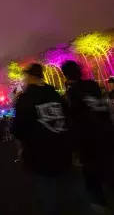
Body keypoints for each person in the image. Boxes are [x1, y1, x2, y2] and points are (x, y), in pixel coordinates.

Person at [13, 63, 86, 215]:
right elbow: (68, 116)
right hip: (62, 147)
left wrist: (22, 148)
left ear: (31, 76)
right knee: (72, 184)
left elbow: (18, 127)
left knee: (47, 191)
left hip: (40, 151)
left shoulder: (26, 98)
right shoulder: (54, 94)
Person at [61, 60, 114, 213]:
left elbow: (73, 119)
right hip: (107, 134)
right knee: (109, 169)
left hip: (89, 139)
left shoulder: (73, 93)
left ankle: (100, 205)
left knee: (92, 175)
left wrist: (74, 147)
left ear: (66, 75)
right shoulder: (93, 86)